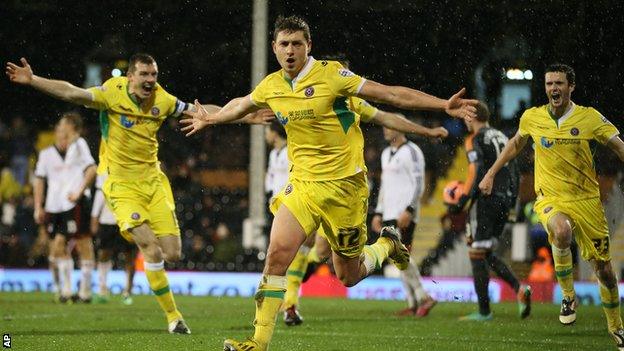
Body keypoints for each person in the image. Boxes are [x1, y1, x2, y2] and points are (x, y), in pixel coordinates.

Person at [182, 15, 476, 351]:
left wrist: (441, 106)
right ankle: (258, 342)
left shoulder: (333, 75)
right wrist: (213, 117)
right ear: (274, 48)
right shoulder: (272, 85)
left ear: (309, 46)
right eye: (284, 44)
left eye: (297, 44)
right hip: (303, 185)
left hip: (345, 190)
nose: (290, 51)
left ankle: (387, 246)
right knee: (277, 255)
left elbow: (390, 96)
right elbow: (241, 104)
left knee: (348, 275)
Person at [479, 64, 624, 349]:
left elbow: (619, 146)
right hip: (550, 198)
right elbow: (516, 144)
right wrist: (491, 173)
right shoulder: (532, 117)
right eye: (549, 84)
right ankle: (568, 297)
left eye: (559, 83)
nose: (553, 89)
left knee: (604, 270)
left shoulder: (589, 118)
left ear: (571, 87)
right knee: (560, 229)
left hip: (586, 202)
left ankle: (616, 327)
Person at [447, 102, 531, 321]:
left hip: (487, 199)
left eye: (465, 115)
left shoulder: (475, 139)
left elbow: (478, 172)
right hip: (506, 200)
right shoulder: (502, 136)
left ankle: (484, 312)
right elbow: (514, 170)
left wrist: (463, 201)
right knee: (487, 252)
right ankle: (519, 288)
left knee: (475, 252)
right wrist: (512, 203)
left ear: (471, 116)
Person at [371, 125, 437, 317]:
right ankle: (414, 303)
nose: (385, 130)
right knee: (396, 257)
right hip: (389, 212)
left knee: (401, 256)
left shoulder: (412, 151)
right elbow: (385, 185)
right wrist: (379, 212)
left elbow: (419, 183)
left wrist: (410, 209)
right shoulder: (385, 154)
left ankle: (423, 297)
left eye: (390, 126)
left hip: (404, 213)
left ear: (401, 128)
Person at [33, 112, 97, 303]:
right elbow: (38, 180)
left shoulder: (79, 145)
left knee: (83, 242)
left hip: (75, 203)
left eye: (64, 128)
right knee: (58, 246)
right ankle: (66, 290)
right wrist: (38, 206)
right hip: (55, 205)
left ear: (72, 129)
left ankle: (85, 291)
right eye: (59, 129)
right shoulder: (46, 154)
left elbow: (92, 169)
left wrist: (79, 192)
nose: (61, 132)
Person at [91, 172, 137, 305]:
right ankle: (102, 290)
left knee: (129, 256)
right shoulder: (104, 170)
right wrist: (95, 216)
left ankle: (127, 292)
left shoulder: (131, 167)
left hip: (128, 220)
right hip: (107, 219)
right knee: (104, 254)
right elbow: (100, 192)